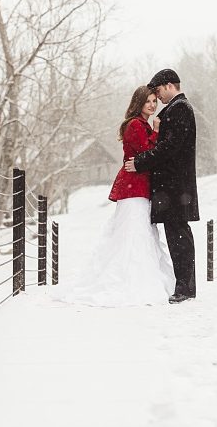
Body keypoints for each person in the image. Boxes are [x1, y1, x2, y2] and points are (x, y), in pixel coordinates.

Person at [58, 85, 175, 307]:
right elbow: (145, 154)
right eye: (147, 101)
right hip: (133, 187)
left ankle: (144, 278)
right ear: (138, 102)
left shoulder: (143, 124)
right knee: (132, 232)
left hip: (141, 186)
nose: (152, 105)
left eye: (154, 101)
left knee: (141, 232)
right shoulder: (134, 125)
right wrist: (158, 132)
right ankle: (129, 281)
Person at [125, 69, 199, 304]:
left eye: (158, 91)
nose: (158, 99)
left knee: (179, 237)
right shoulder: (177, 109)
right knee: (178, 236)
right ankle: (185, 286)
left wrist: (140, 162)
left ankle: (184, 287)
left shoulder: (179, 109)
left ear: (169, 85)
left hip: (174, 188)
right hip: (175, 187)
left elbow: (169, 148)